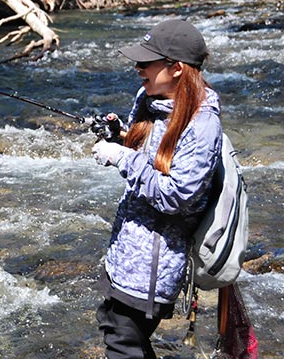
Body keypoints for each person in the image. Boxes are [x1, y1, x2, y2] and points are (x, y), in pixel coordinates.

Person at [91, 19, 223, 359]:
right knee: (117, 330)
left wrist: (121, 158)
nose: (138, 69)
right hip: (126, 250)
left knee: (122, 341)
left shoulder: (203, 124)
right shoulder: (151, 98)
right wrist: (120, 134)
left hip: (153, 265)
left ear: (177, 68)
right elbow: (149, 154)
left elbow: (176, 196)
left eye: (146, 62)